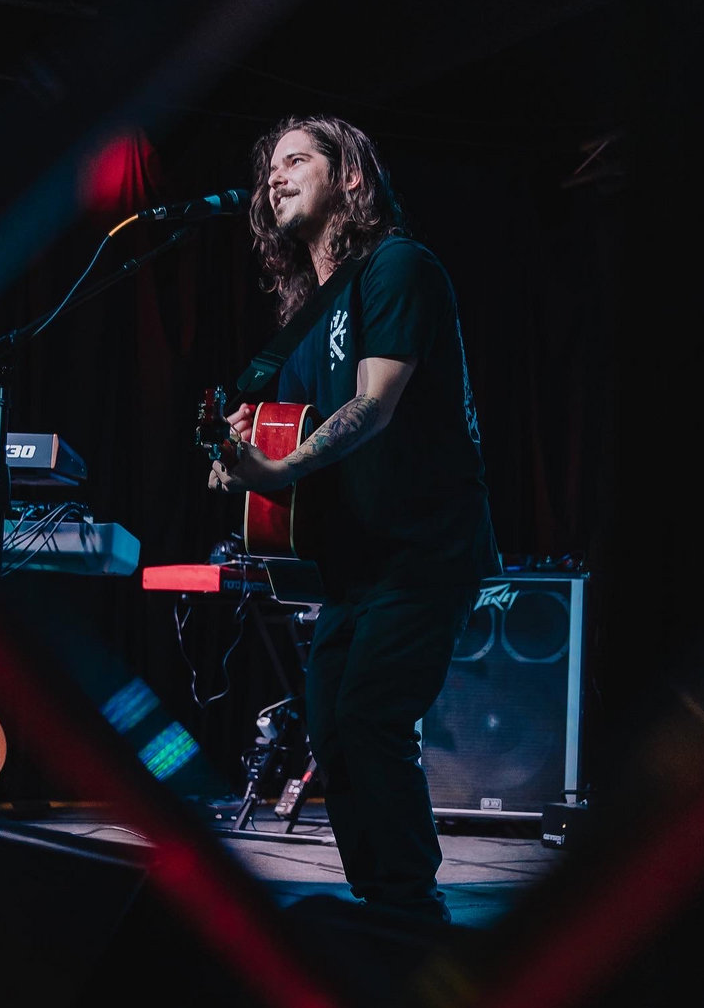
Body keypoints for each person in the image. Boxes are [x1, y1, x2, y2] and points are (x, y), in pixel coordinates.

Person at [208, 114, 501, 926]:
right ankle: (381, 902)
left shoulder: (398, 267)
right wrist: (242, 455)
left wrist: (275, 469)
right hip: (353, 564)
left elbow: (372, 405)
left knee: (371, 716)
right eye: (268, 167)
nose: (274, 175)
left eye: (296, 159)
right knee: (333, 729)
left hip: (422, 548)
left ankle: (408, 907)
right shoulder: (306, 316)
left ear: (350, 177)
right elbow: (292, 433)